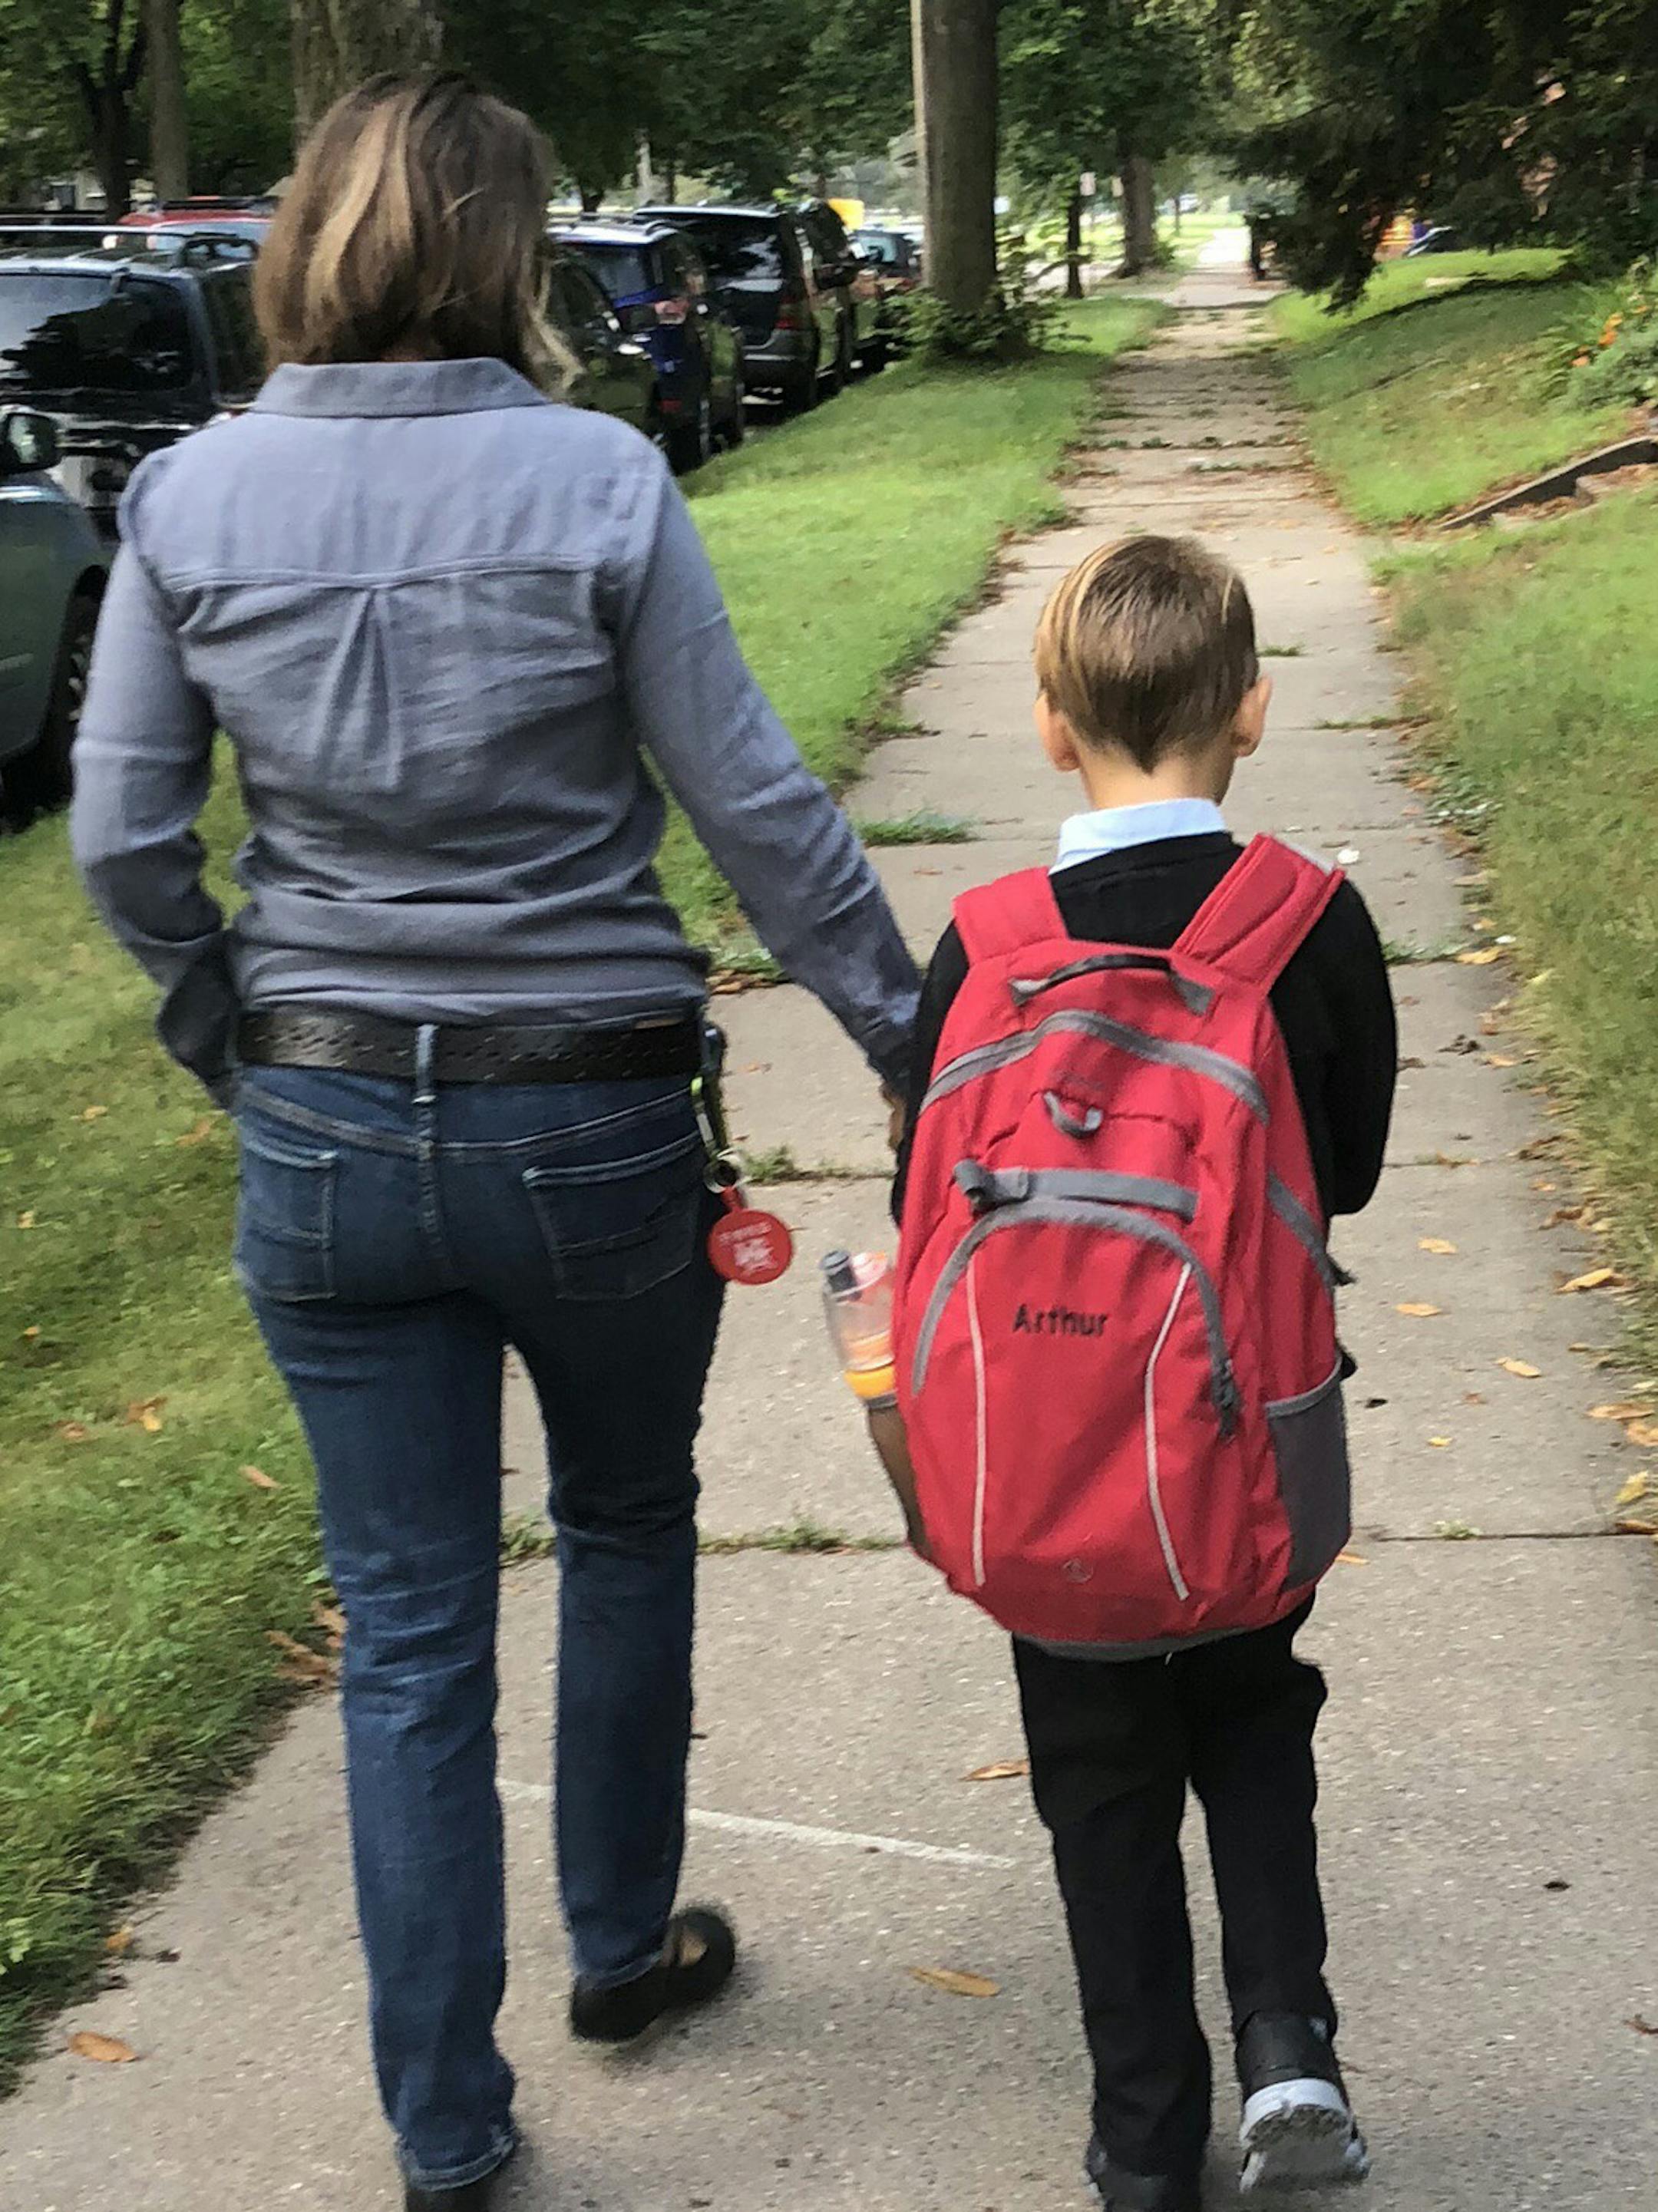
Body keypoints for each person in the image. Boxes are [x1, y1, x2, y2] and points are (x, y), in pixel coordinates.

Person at [71, 74, 918, 2212]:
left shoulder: (188, 496)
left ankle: (448, 2127)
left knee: (412, 1625)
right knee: (627, 1525)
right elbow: (762, 817)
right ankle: (621, 1949)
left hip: (328, 1118)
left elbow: (122, 838)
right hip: (591, 1120)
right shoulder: (599, 479)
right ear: (501, 249)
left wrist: (232, 1041)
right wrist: (920, 1045)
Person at [881, 536, 1396, 2211]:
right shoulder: (1307, 927)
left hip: (1039, 1468)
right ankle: (1290, 2038)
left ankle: (1142, 2141)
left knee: (1098, 1777)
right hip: (1242, 1444)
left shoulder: (976, 946)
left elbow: (920, 1191)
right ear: (1250, 710)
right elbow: (1358, 1168)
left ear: (1047, 726)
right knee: (1253, 1713)